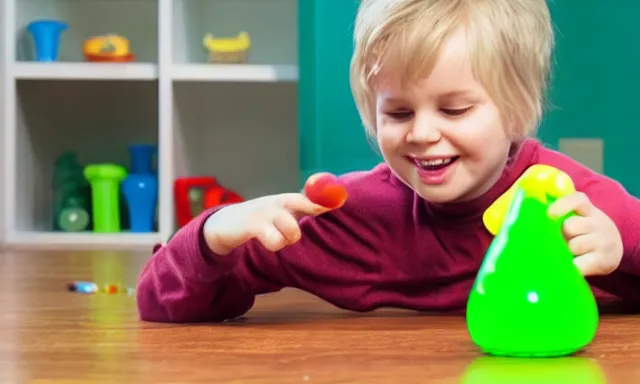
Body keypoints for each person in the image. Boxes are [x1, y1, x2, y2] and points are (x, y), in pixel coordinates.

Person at [136, 0, 640, 323]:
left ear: (516, 111)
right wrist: (212, 235)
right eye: (398, 112)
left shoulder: (572, 204)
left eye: (454, 108)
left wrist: (624, 252)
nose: (421, 133)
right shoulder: (353, 218)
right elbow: (160, 300)